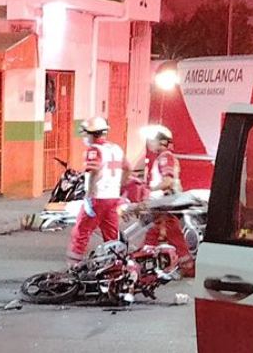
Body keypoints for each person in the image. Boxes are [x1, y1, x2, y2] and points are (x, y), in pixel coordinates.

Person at [67, 117, 128, 263]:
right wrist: (119, 187)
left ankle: (73, 266)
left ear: (92, 134)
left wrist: (89, 195)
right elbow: (128, 168)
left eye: (86, 134)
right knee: (111, 234)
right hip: (113, 197)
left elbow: (93, 171)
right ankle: (114, 266)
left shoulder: (94, 150)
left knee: (81, 230)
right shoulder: (116, 149)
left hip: (98, 197)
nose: (84, 137)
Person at [141, 127, 195, 278]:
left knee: (162, 234)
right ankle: (147, 262)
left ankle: (146, 265)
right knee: (162, 234)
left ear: (163, 141)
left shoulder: (165, 157)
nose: (150, 143)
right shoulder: (163, 157)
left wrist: (148, 189)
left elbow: (168, 181)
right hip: (164, 203)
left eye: (153, 140)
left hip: (164, 204)